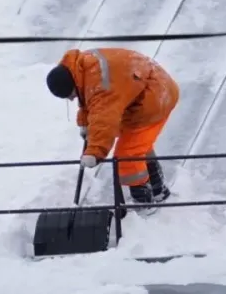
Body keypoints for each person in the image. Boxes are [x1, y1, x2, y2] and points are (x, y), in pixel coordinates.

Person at [46, 47, 178, 204]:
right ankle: (158, 189)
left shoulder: (101, 84)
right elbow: (89, 101)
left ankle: (144, 200)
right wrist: (85, 123)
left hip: (154, 98)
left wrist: (95, 152)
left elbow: (104, 118)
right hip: (142, 89)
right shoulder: (82, 69)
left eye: (70, 95)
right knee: (137, 145)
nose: (72, 99)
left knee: (127, 155)